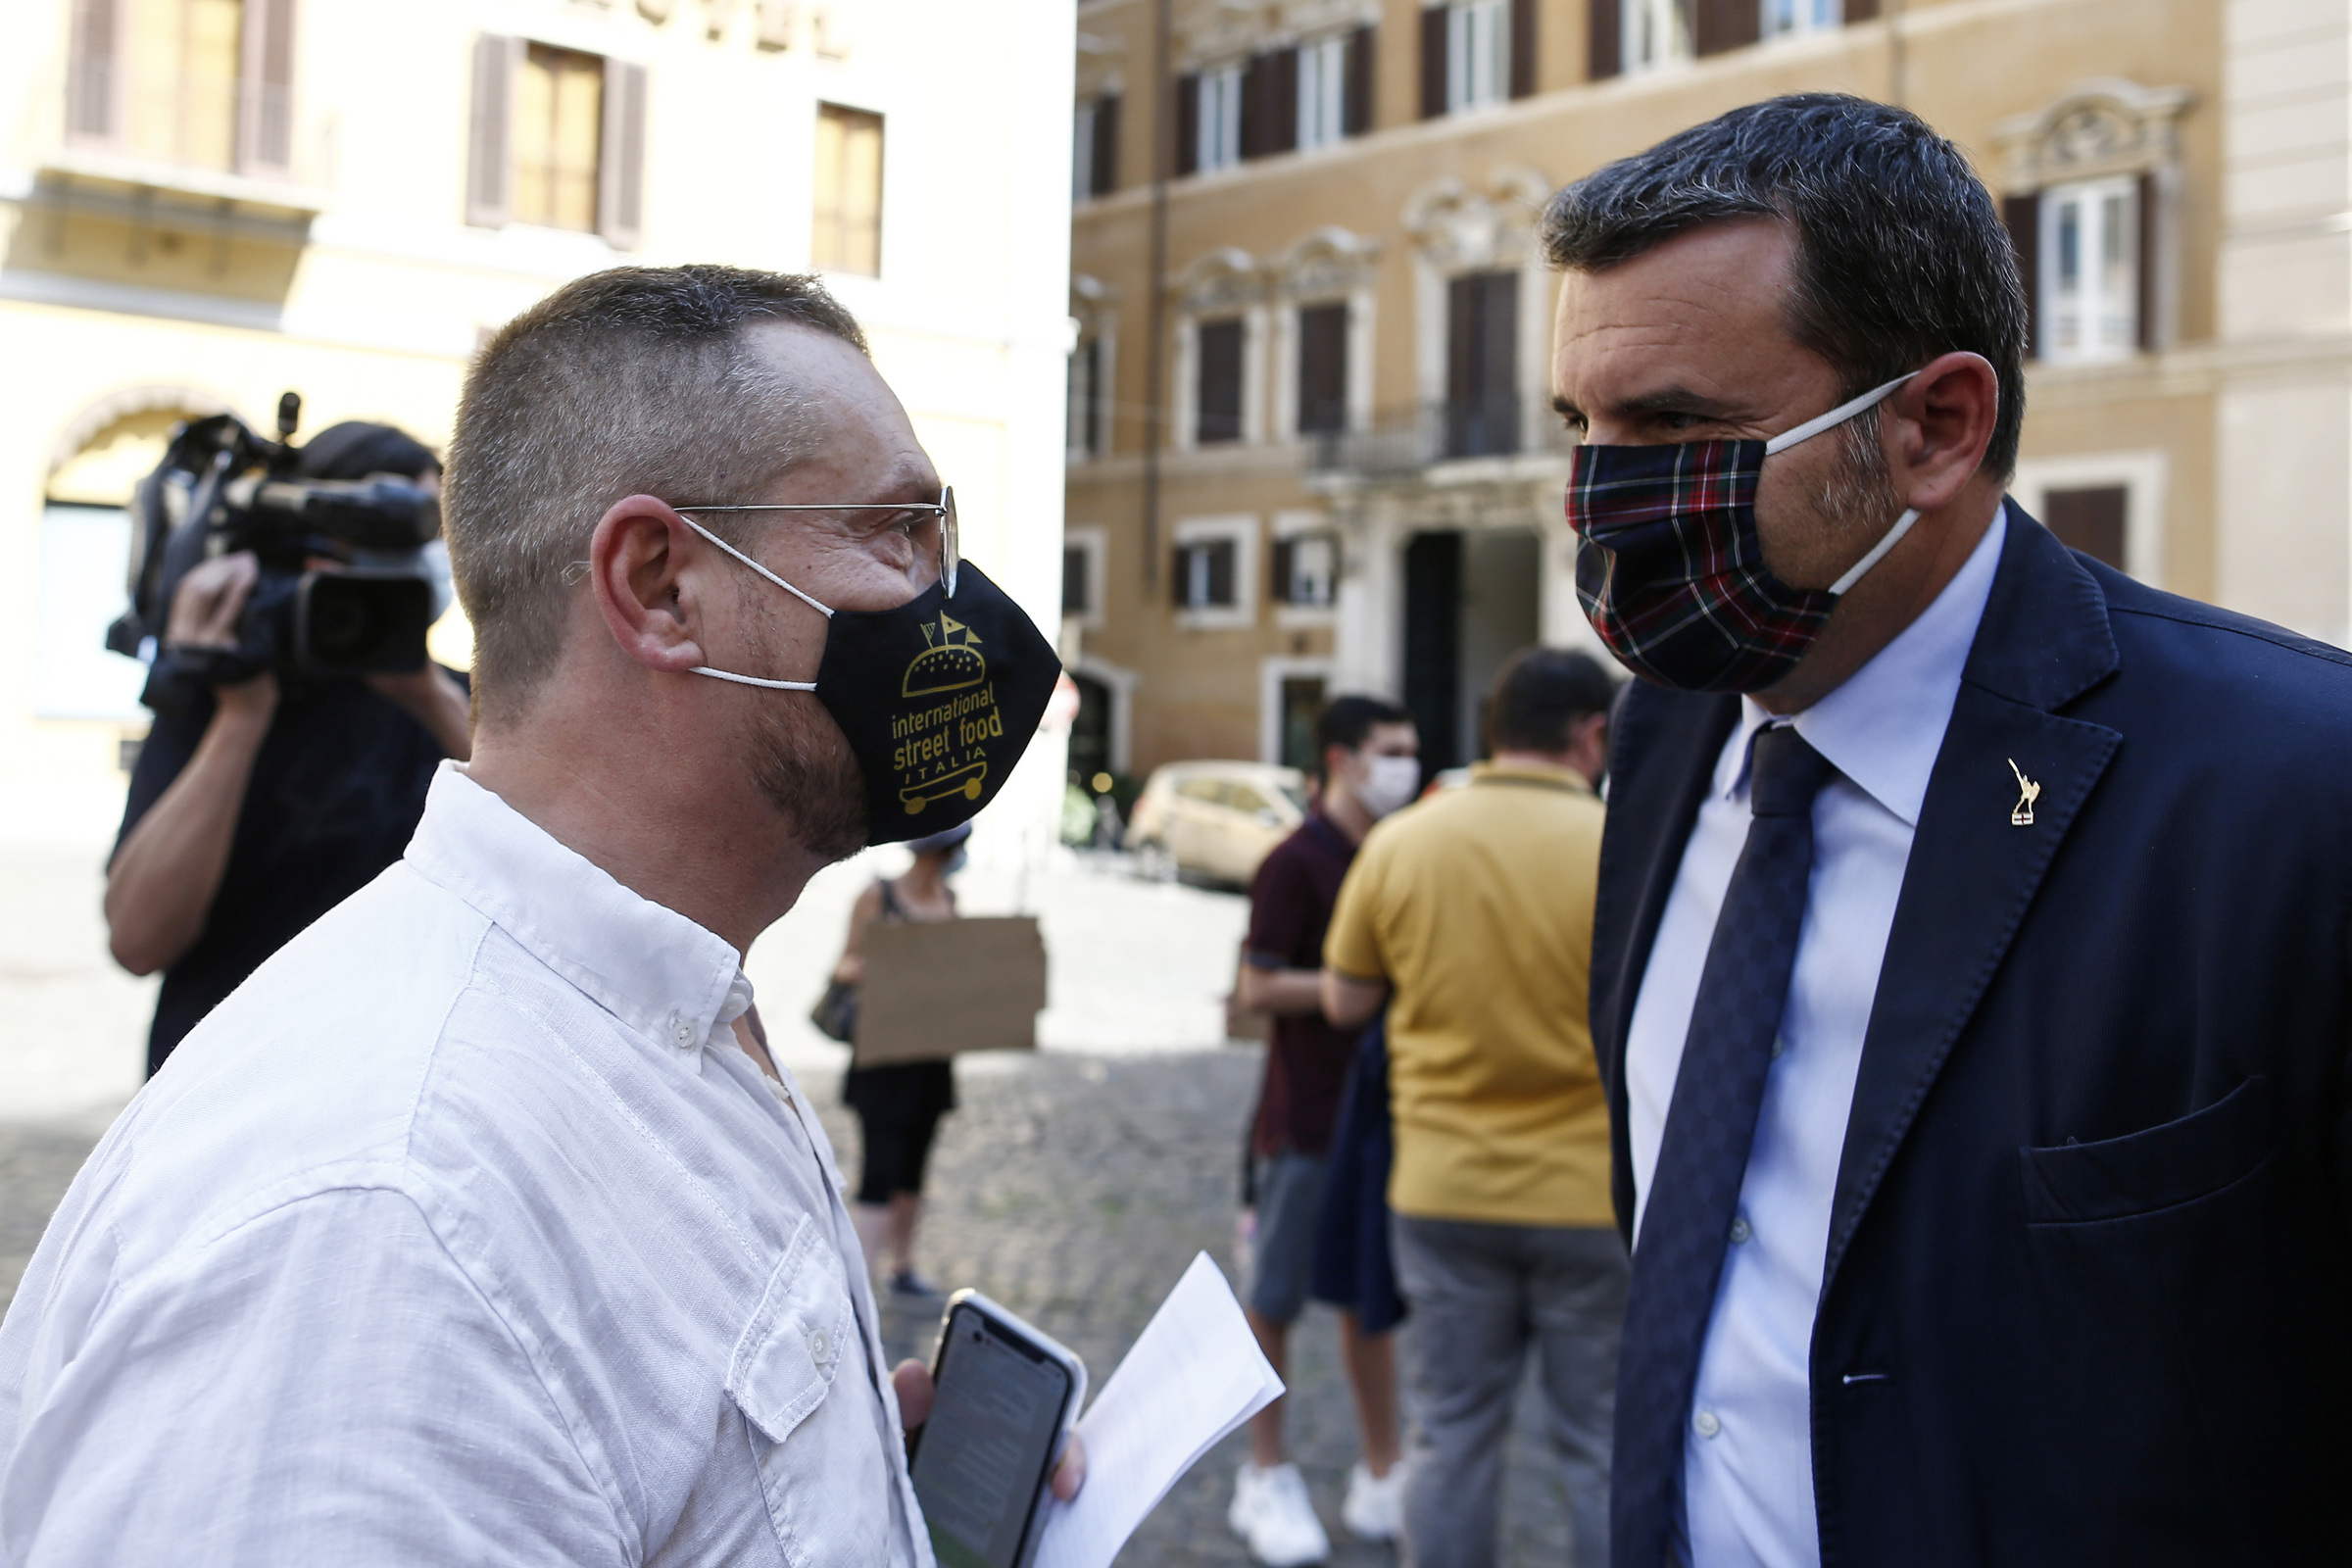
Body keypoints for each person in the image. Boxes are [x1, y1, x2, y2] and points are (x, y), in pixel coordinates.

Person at [0, 265, 1077, 1561]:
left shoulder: (658, 1009)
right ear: (661, 585)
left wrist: (828, 1488)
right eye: (895, 532)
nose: (940, 596)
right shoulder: (382, 1235)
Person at [1549, 95, 2352, 1568]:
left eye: (1674, 426)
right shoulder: (1667, 730)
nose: (1600, 495)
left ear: (1938, 426)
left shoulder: (2297, 793)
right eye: (1581, 426)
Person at [1321, 648, 1623, 1568]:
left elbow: (1344, 1002)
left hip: (1444, 1189)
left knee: (1450, 1434)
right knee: (1604, 1444)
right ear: (1592, 736)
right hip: (1592, 1196)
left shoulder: (1405, 842)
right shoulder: (1626, 846)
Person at [103, 420, 473, 1072]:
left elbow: (563, 854)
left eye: (431, 534)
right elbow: (138, 940)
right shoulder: (221, 693)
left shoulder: (459, 703)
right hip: (223, 1082)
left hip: (397, 1081)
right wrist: (240, 716)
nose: (425, 556)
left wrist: (421, 688)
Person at [1227, 695, 1416, 1565]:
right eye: (1391, 750)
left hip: (1379, 1113)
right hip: (1303, 1117)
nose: (1406, 765)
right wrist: (1348, 987)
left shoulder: (1393, 851)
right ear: (1342, 760)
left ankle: (1385, 1467)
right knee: (1274, 1302)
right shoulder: (1295, 862)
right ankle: (1265, 1474)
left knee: (1368, 1299)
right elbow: (1256, 989)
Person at [832, 820, 972, 1298]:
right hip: (885, 1053)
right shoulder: (877, 896)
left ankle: (902, 1265)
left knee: (914, 1165)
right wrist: (883, 968)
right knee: (881, 1165)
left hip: (930, 1053)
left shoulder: (950, 901)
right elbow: (843, 964)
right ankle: (861, 1278)